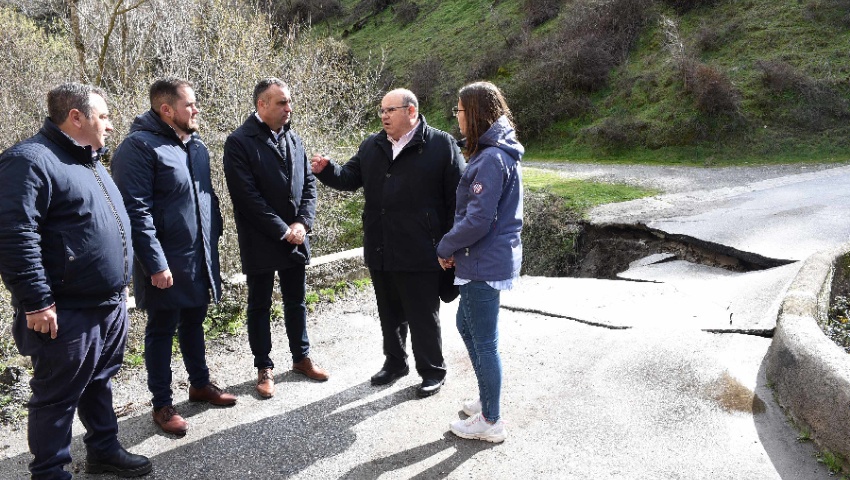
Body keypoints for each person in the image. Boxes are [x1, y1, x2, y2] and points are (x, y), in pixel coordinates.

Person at [0, 83, 152, 478]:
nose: (111, 125)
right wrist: (35, 301)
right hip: (65, 309)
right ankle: (51, 472)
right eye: (104, 116)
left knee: (99, 381)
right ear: (76, 117)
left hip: (108, 302)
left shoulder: (91, 161)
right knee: (56, 398)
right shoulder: (29, 161)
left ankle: (103, 450)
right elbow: (14, 234)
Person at [311, 88, 465, 398]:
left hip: (422, 248)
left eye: (390, 110)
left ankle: (432, 370)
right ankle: (395, 363)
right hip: (381, 244)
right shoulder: (373, 144)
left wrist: (451, 245)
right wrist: (327, 170)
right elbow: (349, 178)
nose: (383, 116)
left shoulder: (440, 145)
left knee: (423, 314)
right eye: (382, 110)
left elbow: (458, 200)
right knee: (390, 312)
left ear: (411, 112)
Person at [111, 78, 236, 437]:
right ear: (167, 110)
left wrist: (212, 242)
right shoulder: (138, 147)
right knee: (162, 329)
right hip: (165, 262)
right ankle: (162, 404)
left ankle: (200, 385)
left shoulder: (195, 146)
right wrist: (155, 262)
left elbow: (205, 199)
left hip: (199, 257)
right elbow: (135, 211)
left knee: (194, 321)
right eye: (190, 105)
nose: (196, 110)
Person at [223, 77, 328, 399]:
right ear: (261, 105)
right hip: (262, 239)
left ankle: (301, 358)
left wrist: (302, 224)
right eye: (282, 102)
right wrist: (284, 230)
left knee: (296, 300)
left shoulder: (295, 139)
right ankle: (264, 367)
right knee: (260, 304)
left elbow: (309, 187)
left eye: (289, 101)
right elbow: (247, 198)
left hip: (296, 236)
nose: (288, 108)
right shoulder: (239, 142)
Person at [437, 81, 524, 443]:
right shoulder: (495, 151)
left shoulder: (490, 158)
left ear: (474, 114)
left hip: (482, 261)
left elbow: (478, 219)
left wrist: (445, 246)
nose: (456, 116)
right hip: (487, 258)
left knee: (485, 341)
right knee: (466, 323)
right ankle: (488, 400)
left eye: (459, 109)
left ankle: (491, 420)